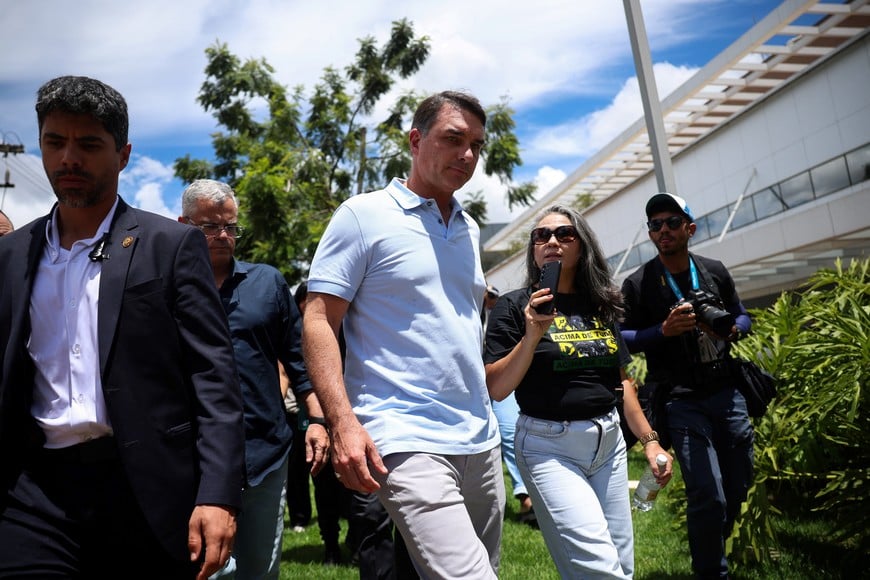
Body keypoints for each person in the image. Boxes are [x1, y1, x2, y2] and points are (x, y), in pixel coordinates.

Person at [0, 75, 244, 579]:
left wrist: (218, 494)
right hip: (35, 492)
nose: (69, 159)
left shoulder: (170, 246)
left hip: (146, 487)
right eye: (55, 142)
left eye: (88, 144)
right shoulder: (10, 255)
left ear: (123, 153)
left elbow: (214, 377)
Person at [302, 90, 505, 579]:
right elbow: (317, 320)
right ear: (415, 140)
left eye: (477, 144)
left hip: (480, 437)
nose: (468, 155)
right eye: (454, 139)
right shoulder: (362, 215)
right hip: (404, 434)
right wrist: (343, 423)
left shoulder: (468, 228)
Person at [484, 204, 673, 578]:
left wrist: (650, 441)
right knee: (600, 568)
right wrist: (532, 334)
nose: (552, 241)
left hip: (610, 445)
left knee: (621, 564)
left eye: (564, 234)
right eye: (542, 235)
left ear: (582, 246)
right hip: (548, 446)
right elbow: (497, 387)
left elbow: (622, 384)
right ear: (533, 249)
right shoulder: (513, 306)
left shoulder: (599, 304)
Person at [178, 179, 330, 578]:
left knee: (259, 568)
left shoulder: (266, 283)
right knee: (206, 566)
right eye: (211, 227)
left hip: (264, 449)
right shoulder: (167, 287)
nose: (224, 236)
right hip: (193, 454)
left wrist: (316, 419)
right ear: (183, 225)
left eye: (230, 227)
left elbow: (297, 358)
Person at [620, 192, 754, 580]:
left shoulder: (713, 269)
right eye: (655, 225)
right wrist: (660, 331)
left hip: (726, 390)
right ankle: (712, 572)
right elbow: (621, 337)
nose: (663, 230)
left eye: (672, 222)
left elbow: (742, 316)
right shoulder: (639, 282)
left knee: (737, 483)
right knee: (706, 492)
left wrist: (730, 329)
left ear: (689, 228)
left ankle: (715, 546)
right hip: (679, 398)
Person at [483, 284, 536, 525]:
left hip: (501, 378)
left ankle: (526, 497)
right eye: (487, 295)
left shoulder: (503, 310)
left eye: (492, 296)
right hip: (471, 384)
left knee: (509, 431)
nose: (489, 300)